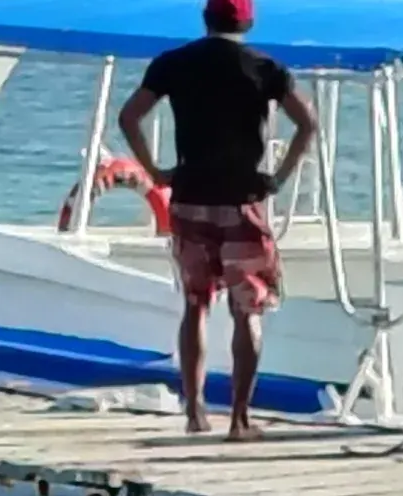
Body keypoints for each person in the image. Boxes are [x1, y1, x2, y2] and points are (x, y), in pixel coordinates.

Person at [117, 0, 317, 438]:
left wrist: (154, 171)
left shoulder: (173, 63)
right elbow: (307, 124)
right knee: (249, 310)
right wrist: (278, 179)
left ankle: (195, 413)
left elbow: (129, 117)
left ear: (206, 19)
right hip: (242, 198)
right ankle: (240, 420)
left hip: (189, 198)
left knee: (195, 305)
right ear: (248, 20)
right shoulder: (266, 68)